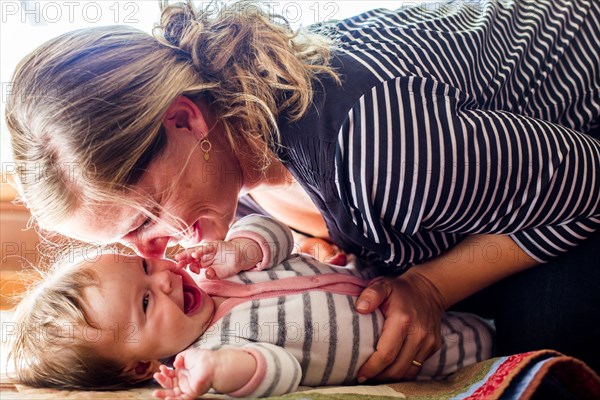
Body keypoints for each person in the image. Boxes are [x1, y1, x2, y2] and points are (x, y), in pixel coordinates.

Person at [5, 0, 600, 379]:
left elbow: (588, 183)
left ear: (185, 120)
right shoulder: (233, 139)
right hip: (496, 170)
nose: (154, 255)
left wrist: (429, 285)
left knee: (549, 336)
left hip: (584, 132)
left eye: (143, 222)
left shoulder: (373, 148)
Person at [8, 215, 493, 398]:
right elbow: (279, 371)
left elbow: (277, 233)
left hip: (413, 277)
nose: (165, 277)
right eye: (147, 300)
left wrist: (242, 248)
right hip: (431, 349)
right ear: (141, 366)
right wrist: (218, 370)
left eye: (144, 268)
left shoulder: (213, 269)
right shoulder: (215, 350)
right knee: (501, 337)